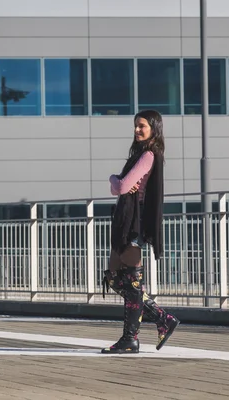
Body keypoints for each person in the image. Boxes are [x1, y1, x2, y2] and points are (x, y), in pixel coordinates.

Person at [101, 109, 180, 354]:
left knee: (132, 284)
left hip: (135, 223)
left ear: (154, 129)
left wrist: (113, 177)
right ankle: (162, 318)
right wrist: (120, 181)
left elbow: (122, 186)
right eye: (135, 125)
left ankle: (130, 339)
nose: (137, 130)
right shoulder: (139, 154)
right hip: (126, 223)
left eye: (142, 126)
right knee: (114, 278)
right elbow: (124, 187)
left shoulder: (148, 154)